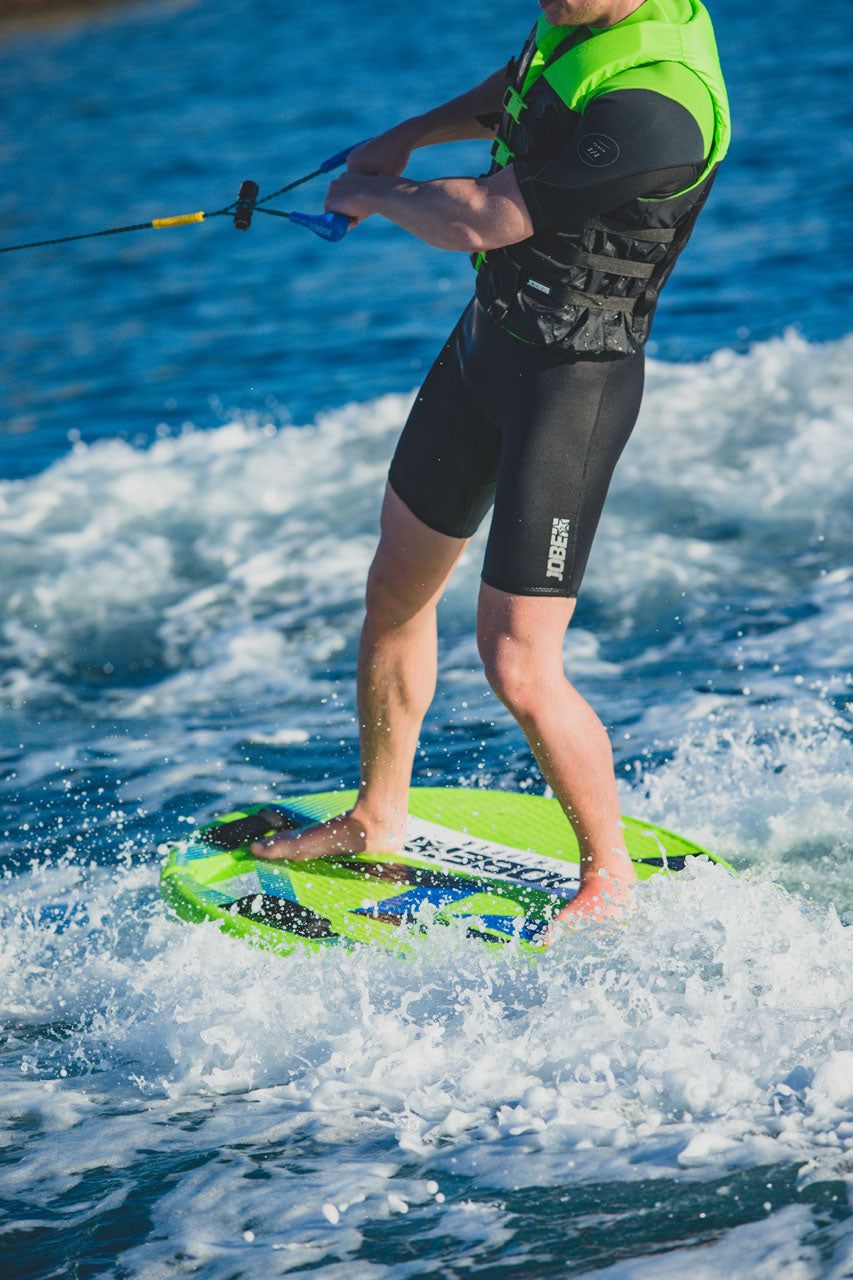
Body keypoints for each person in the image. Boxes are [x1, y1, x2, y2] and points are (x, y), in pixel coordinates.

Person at [252, 0, 731, 933]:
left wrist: (376, 194)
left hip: (571, 389)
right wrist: (406, 134)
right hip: (485, 348)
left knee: (516, 659)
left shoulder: (659, 100)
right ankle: (377, 814)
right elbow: (521, 93)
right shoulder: (578, 22)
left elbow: (484, 216)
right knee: (396, 589)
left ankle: (608, 877)